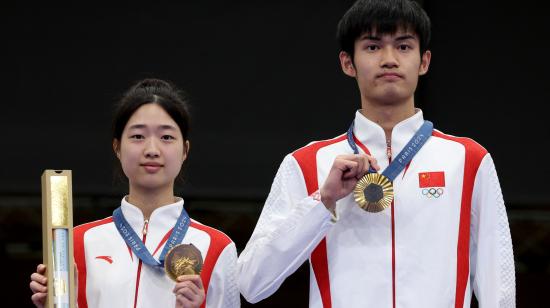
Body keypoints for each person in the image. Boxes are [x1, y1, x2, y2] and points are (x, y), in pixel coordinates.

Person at [237, 0, 515, 307]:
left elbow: (497, 287)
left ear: (424, 61)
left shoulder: (469, 160)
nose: (389, 59)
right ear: (347, 63)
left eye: (404, 46)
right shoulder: (306, 164)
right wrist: (322, 201)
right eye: (372, 47)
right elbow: (251, 282)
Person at [29, 79, 240, 308]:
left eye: (166, 137)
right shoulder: (76, 243)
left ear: (185, 150)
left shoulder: (218, 247)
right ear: (117, 147)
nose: (151, 150)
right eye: (138, 136)